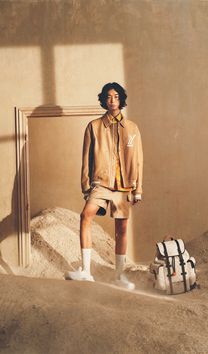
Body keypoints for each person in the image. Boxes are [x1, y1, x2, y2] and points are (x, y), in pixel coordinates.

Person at [65, 82, 143, 290]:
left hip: (124, 186)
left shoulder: (132, 128)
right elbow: (86, 159)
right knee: (85, 216)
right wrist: (86, 187)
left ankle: (119, 276)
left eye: (116, 96)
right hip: (100, 184)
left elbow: (138, 160)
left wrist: (138, 190)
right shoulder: (94, 126)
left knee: (122, 229)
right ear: (103, 100)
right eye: (108, 97)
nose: (112, 100)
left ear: (121, 99)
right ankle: (86, 271)